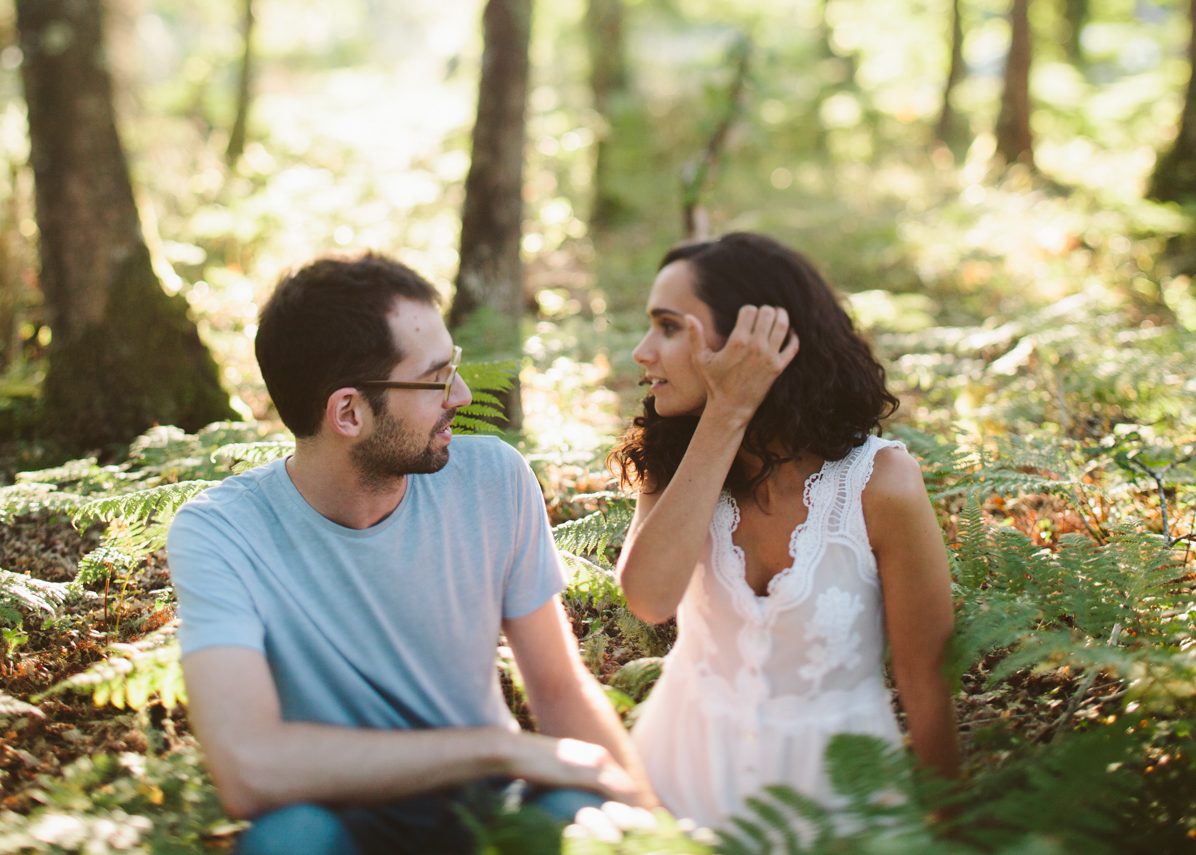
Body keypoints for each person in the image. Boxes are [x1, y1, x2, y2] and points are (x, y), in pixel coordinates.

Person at [167, 254, 654, 855]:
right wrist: (492, 747)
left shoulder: (493, 478)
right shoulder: (222, 532)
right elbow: (249, 769)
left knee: (581, 817)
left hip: (485, 809)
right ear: (349, 412)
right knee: (288, 842)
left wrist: (651, 821)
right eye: (435, 379)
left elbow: (556, 687)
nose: (463, 393)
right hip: (337, 823)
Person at [611, 232, 959, 830]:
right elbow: (648, 599)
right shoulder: (672, 462)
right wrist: (727, 413)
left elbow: (927, 687)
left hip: (839, 799)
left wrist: (953, 835)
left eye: (669, 327)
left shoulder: (881, 485)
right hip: (680, 776)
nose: (643, 352)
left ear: (756, 340)